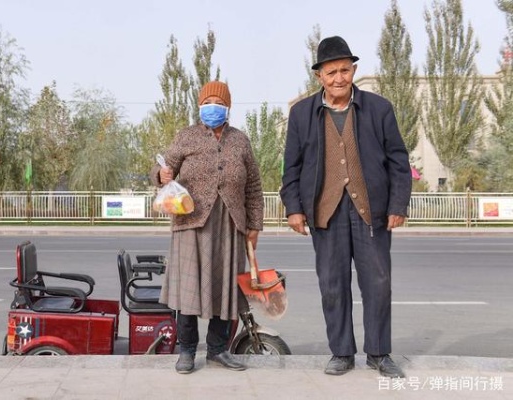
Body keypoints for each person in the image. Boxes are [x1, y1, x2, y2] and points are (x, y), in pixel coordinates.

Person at [280, 36, 411, 378]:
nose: (339, 78)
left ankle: (380, 353)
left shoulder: (379, 108)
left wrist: (398, 204)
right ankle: (341, 353)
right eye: (331, 72)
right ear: (319, 76)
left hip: (372, 213)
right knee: (333, 285)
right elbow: (290, 167)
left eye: (345, 70)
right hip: (326, 213)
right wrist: (293, 208)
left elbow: (399, 160)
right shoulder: (301, 114)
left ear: (353, 70)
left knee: (378, 284)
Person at [150, 81, 264, 374]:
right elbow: (163, 170)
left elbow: (253, 186)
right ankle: (186, 351)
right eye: (207, 101)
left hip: (230, 224)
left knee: (225, 290)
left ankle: (217, 350)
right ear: (200, 105)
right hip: (190, 222)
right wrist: (161, 175)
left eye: (218, 101)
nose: (212, 106)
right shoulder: (186, 137)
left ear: (228, 107)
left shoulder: (240, 141)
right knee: (188, 290)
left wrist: (254, 225)